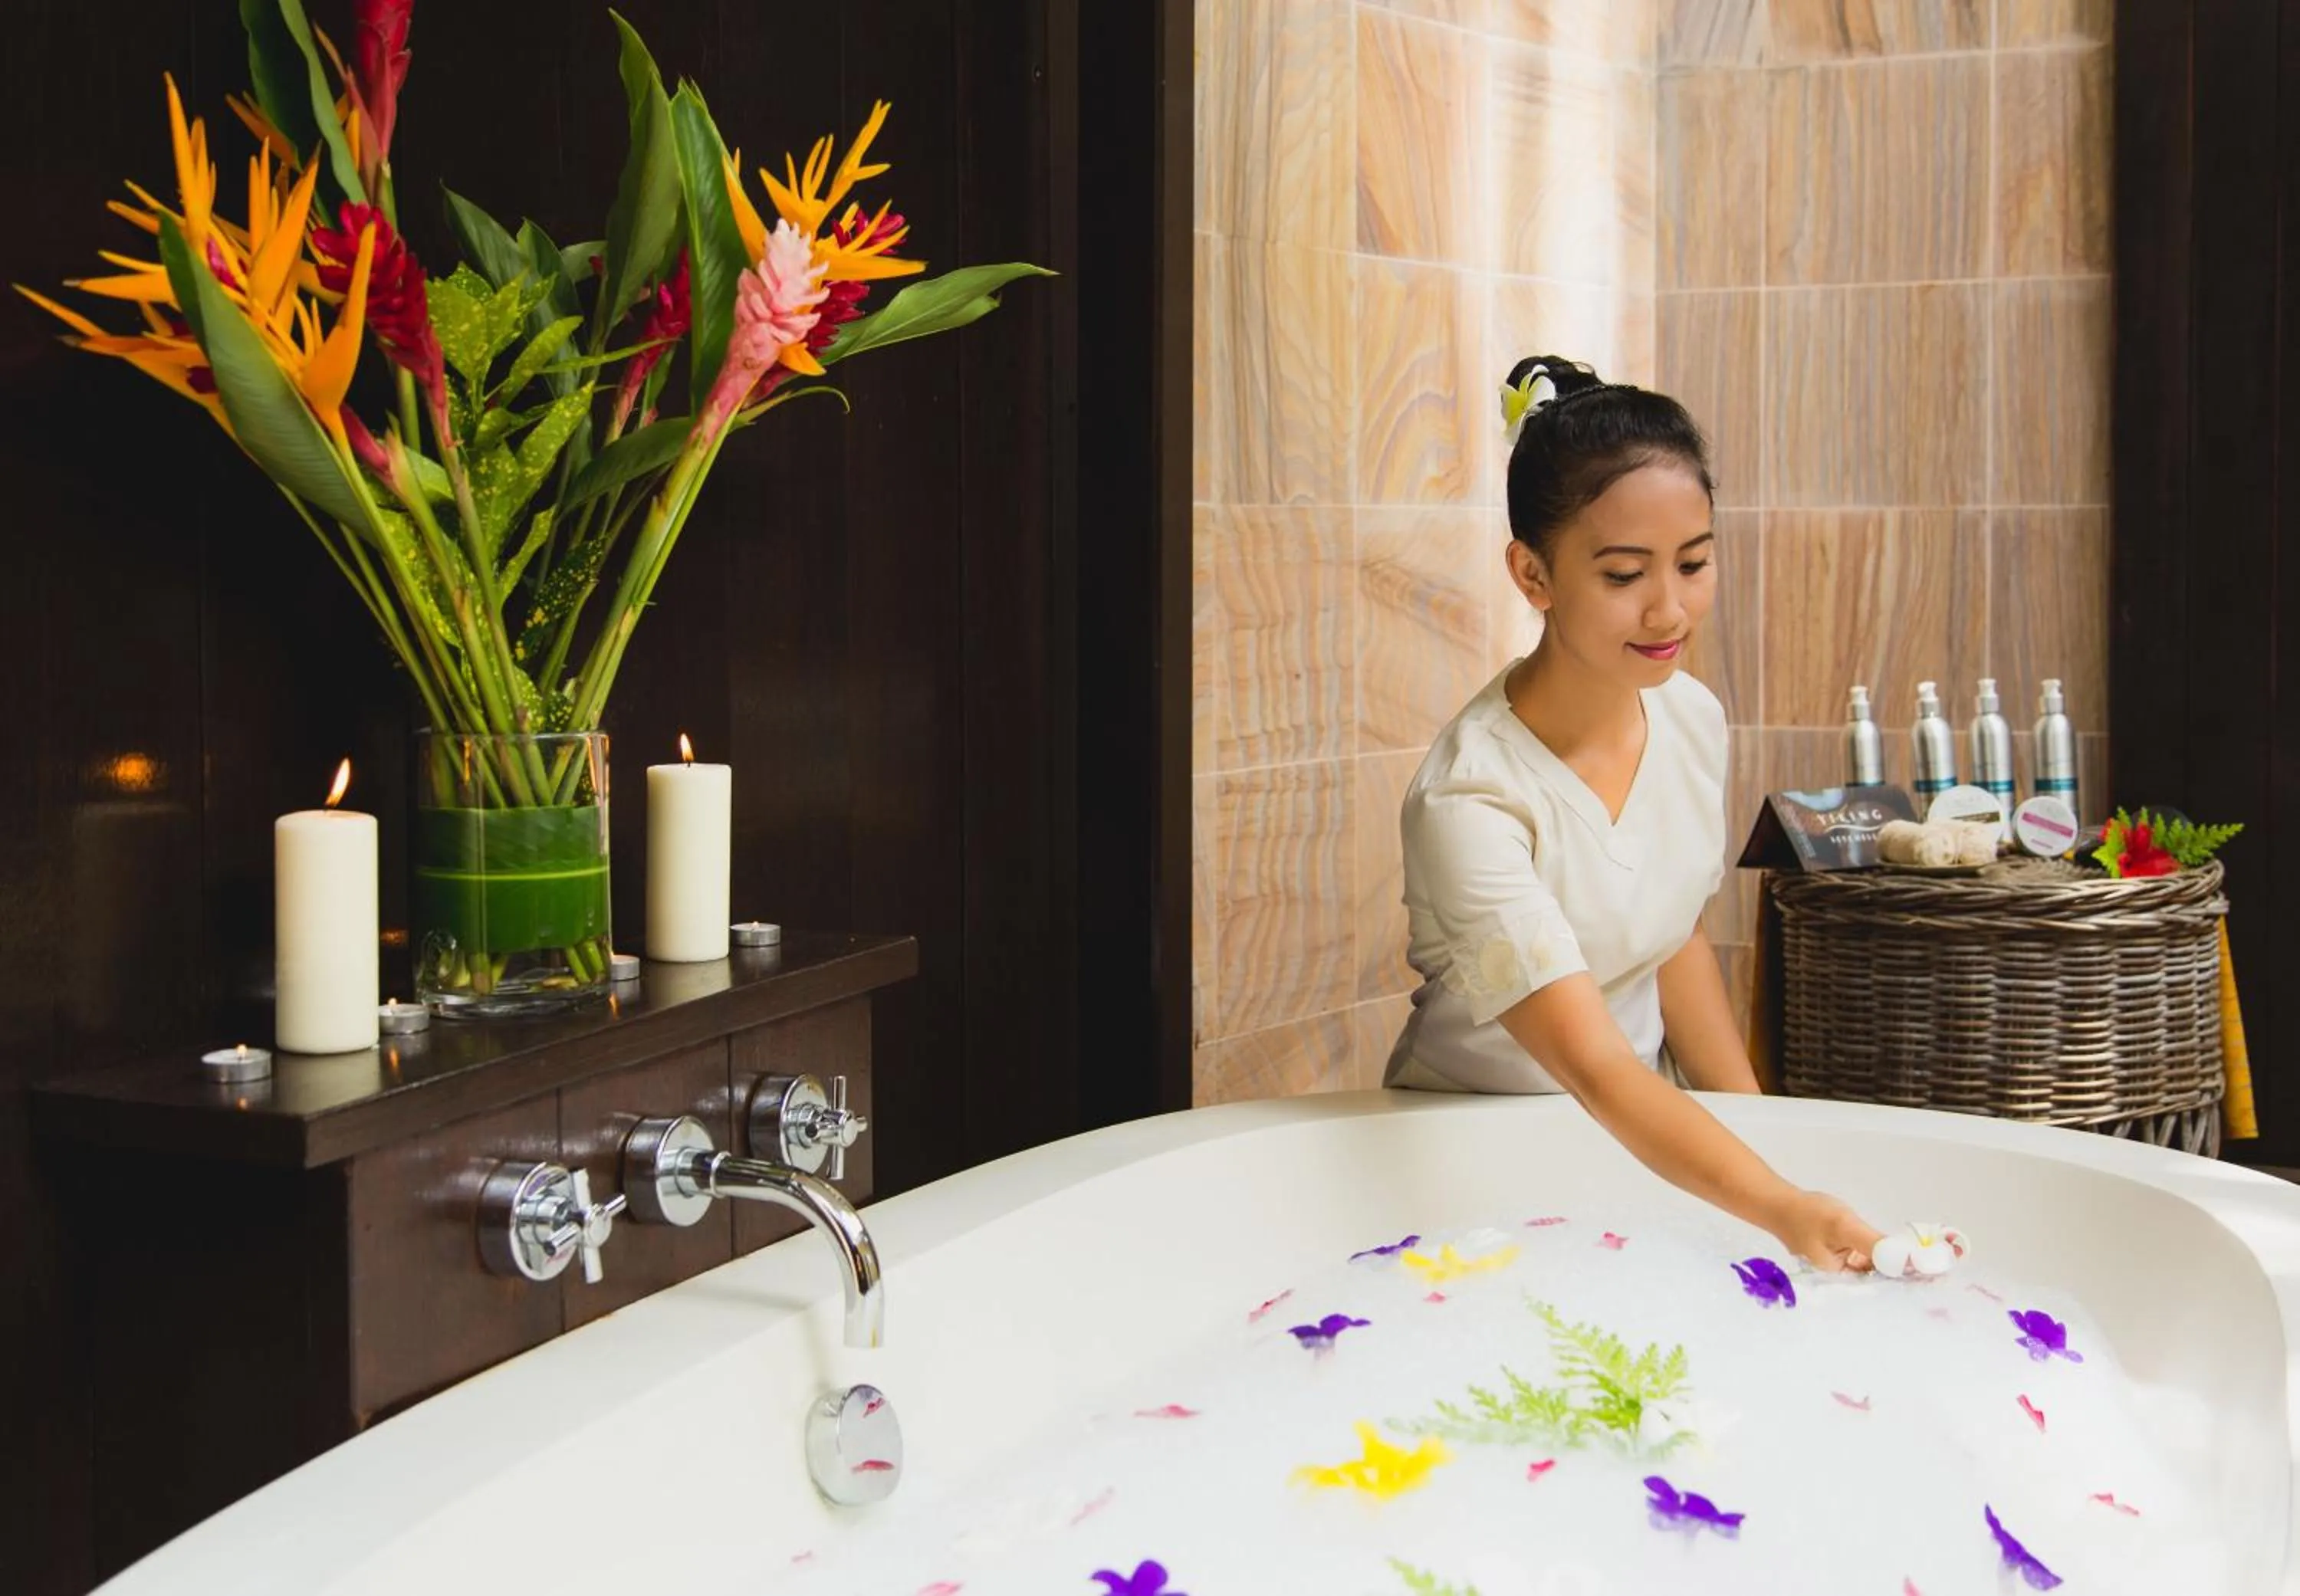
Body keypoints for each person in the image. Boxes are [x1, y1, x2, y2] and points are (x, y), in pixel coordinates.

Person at [1384, 353, 1885, 1275]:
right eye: (1623, 575)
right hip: (1473, 1167)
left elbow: (1672, 934)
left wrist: (1763, 1140)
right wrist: (1776, 1204)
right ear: (1533, 575)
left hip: (1640, 1139)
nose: (1669, 610)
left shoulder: (1689, 716)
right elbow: (1594, 1065)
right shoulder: (1472, 800)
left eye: (1693, 563)